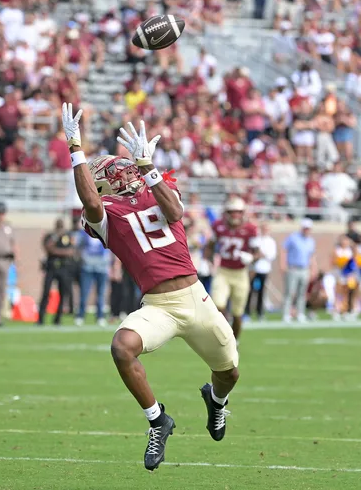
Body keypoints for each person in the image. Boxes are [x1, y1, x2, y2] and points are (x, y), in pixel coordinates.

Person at [62, 104, 239, 473]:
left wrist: (148, 168)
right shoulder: (105, 214)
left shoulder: (157, 187)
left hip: (196, 296)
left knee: (230, 373)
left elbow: (174, 212)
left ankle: (217, 402)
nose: (123, 172)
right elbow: (91, 202)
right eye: (113, 171)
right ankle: (158, 420)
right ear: (101, 182)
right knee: (121, 348)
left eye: (123, 167)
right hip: (158, 304)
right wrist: (75, 148)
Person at [204, 197, 259, 340]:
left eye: (238, 212)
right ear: (226, 213)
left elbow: (258, 252)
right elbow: (210, 245)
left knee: (238, 313)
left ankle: (235, 341)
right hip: (223, 271)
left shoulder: (250, 229)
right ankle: (226, 336)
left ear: (243, 213)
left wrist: (252, 257)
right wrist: (208, 260)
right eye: (232, 212)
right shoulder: (218, 226)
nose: (235, 215)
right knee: (218, 305)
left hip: (241, 273)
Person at [37, 218, 75, 326]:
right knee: (46, 293)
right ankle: (41, 318)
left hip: (64, 268)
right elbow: (48, 248)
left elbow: (71, 251)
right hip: (51, 267)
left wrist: (56, 251)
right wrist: (56, 242)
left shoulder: (68, 236)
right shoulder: (50, 236)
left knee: (63, 294)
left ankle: (57, 319)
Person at [280, 218, 317, 323]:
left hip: (304, 269)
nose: (307, 230)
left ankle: (300, 313)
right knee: (290, 292)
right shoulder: (293, 237)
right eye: (305, 228)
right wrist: (283, 265)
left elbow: (312, 256)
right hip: (293, 268)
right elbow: (284, 250)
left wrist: (313, 268)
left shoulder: (311, 241)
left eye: (308, 228)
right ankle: (286, 314)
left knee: (302, 293)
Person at [76, 227, 110, 327]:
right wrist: (82, 258)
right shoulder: (84, 233)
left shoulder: (105, 231)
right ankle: (80, 316)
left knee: (101, 294)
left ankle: (100, 316)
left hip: (102, 267)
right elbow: (78, 247)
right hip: (88, 266)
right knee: (84, 292)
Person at [245, 222, 277, 321]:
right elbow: (252, 252)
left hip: (264, 269)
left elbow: (271, 255)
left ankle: (260, 312)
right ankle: (247, 313)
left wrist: (261, 254)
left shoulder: (271, 241)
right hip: (253, 269)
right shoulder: (256, 240)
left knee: (261, 292)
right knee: (250, 291)